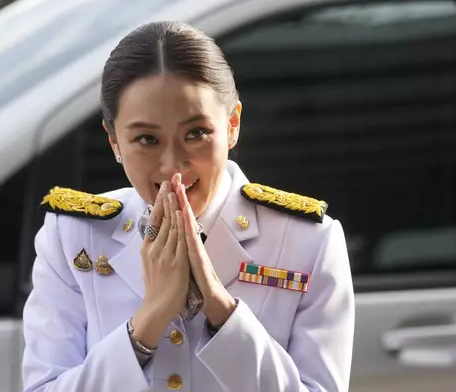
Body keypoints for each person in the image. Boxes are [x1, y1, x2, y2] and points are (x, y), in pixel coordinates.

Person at [21, 20, 354, 392]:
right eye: (146, 139)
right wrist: (147, 322)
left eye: (196, 134)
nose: (172, 166)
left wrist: (219, 308)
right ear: (114, 142)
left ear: (232, 124)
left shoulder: (308, 241)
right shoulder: (72, 235)